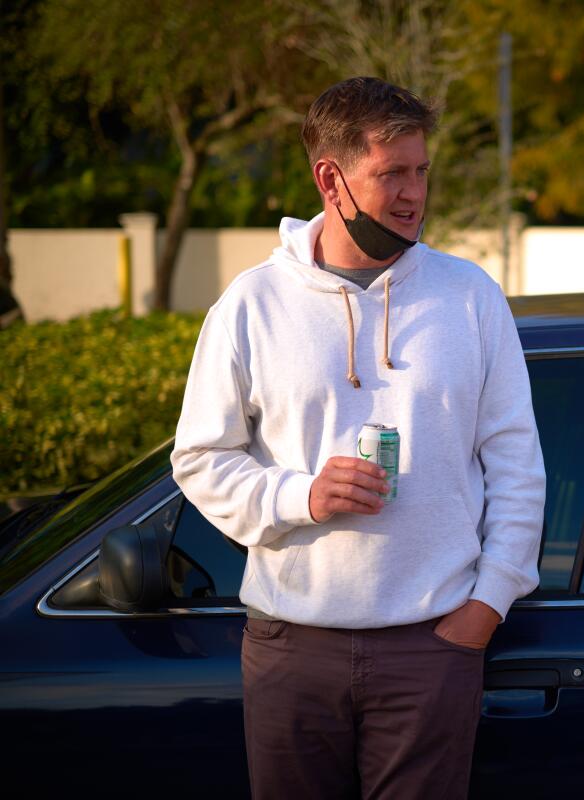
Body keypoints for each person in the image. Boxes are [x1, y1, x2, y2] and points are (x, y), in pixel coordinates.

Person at [171, 77, 545, 799]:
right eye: (392, 173)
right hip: (291, 645)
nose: (414, 193)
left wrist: (487, 604)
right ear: (330, 179)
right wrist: (299, 495)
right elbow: (200, 456)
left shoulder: (469, 296)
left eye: (421, 170)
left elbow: (517, 464)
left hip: (432, 644)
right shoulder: (250, 304)